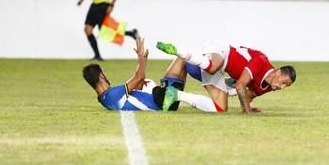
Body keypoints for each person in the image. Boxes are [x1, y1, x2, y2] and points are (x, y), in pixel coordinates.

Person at [82, 38, 224, 113]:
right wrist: (141, 58)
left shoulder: (108, 97)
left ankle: (215, 78)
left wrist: (142, 61)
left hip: (160, 97)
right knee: (182, 60)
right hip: (162, 101)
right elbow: (139, 78)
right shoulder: (111, 95)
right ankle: (218, 82)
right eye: (104, 72)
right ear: (101, 76)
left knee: (180, 60)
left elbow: (137, 82)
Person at [156, 41, 296, 114]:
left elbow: (250, 95)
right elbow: (240, 85)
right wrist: (247, 111)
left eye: (286, 86)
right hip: (222, 50)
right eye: (283, 82)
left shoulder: (268, 86)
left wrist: (247, 106)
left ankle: (175, 94)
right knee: (211, 68)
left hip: (220, 70)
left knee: (220, 108)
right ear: (277, 72)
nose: (281, 87)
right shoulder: (261, 61)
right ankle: (180, 51)